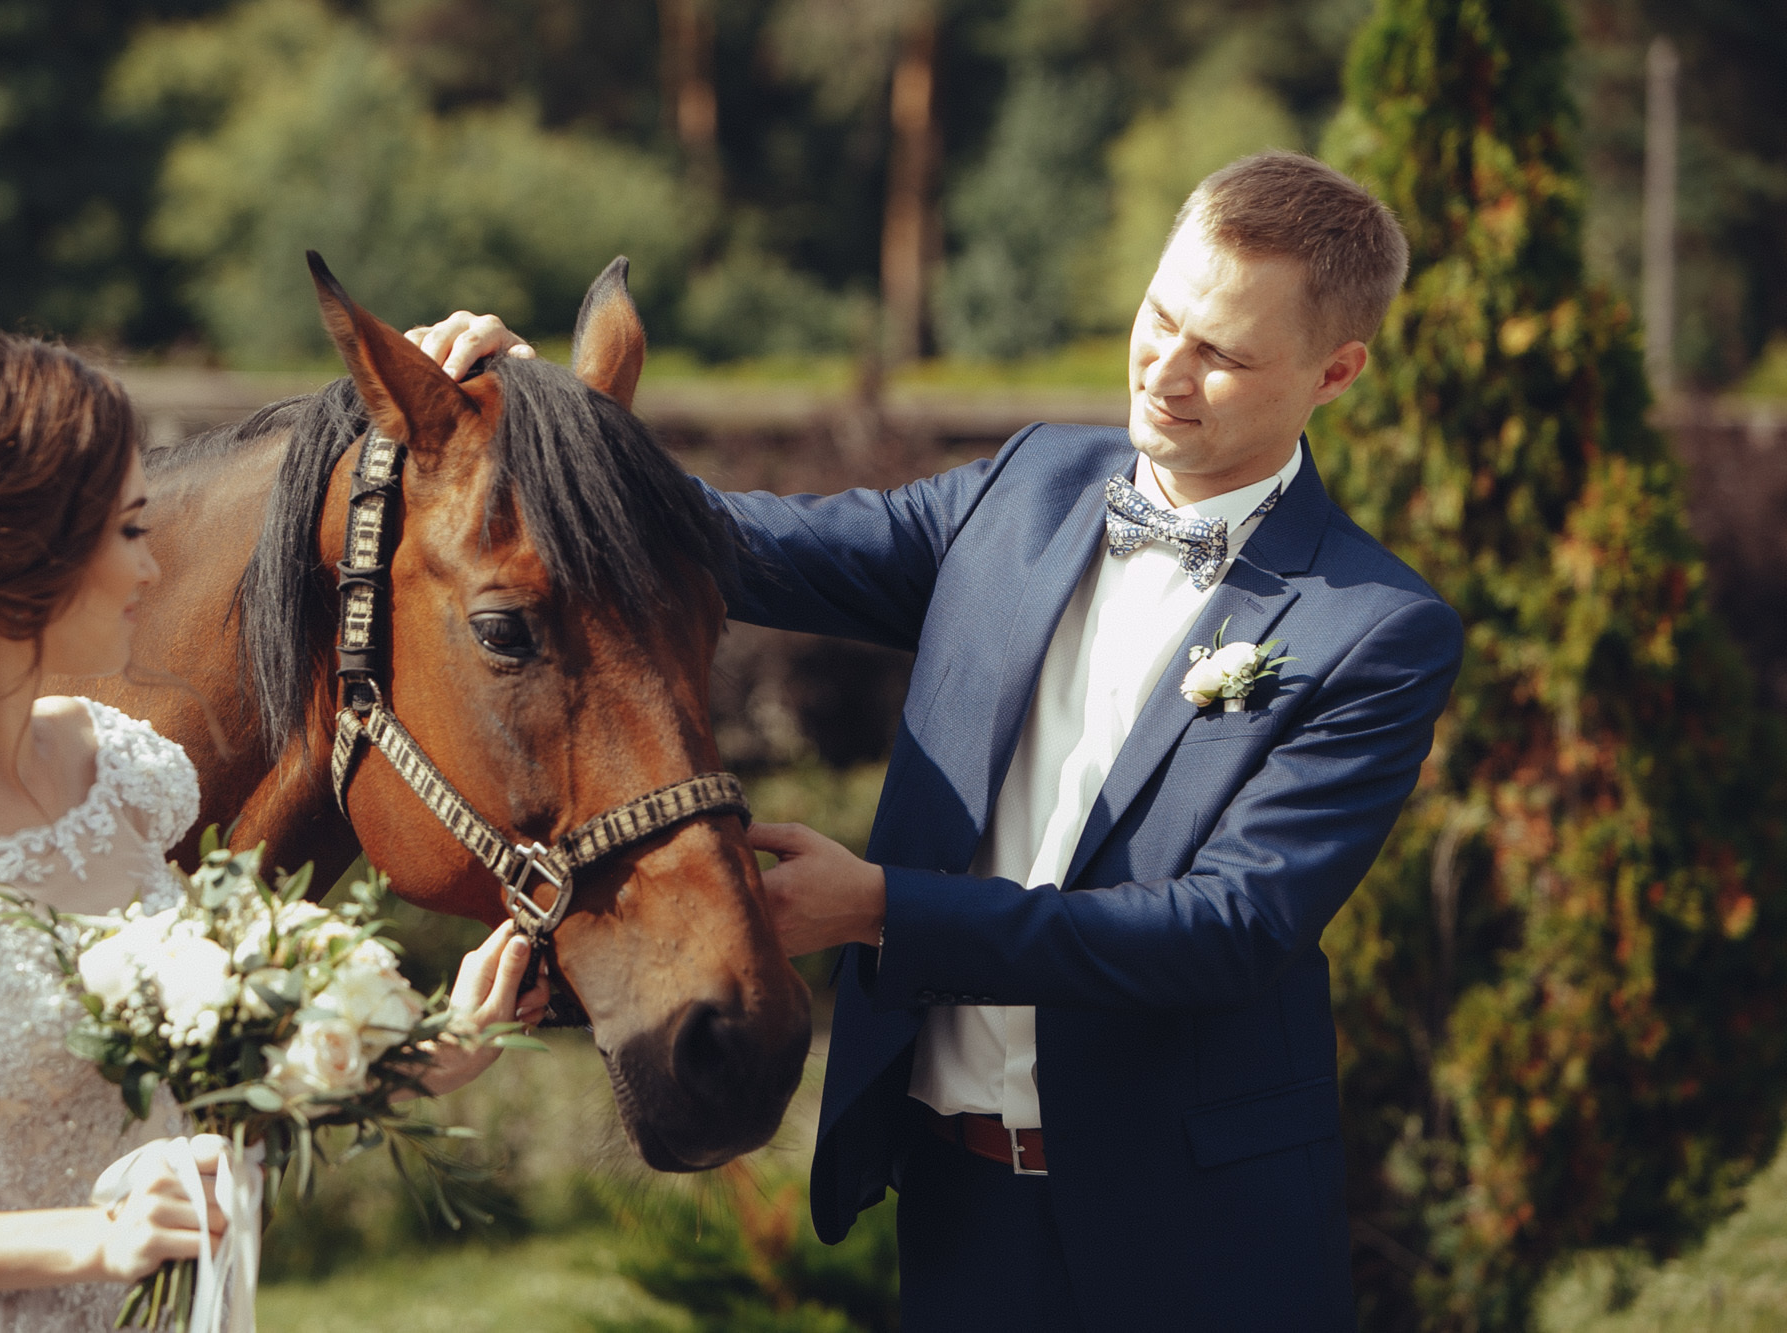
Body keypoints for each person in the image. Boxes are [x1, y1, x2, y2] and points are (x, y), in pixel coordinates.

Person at [428, 149, 1464, 1329]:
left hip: (1197, 1235)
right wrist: (540, 420)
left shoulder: (1373, 628)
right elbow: (732, 543)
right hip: (955, 1201)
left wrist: (880, 909)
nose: (1165, 372)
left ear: (1335, 372)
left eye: (1220, 354)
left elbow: (1224, 931)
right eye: (1158, 318)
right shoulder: (1029, 483)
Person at [0, 323, 545, 1331]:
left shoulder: (114, 770)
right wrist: (94, 1239)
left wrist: (418, 1054)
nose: (151, 568)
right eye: (128, 531)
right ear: (6, 561)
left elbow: (171, 1077)